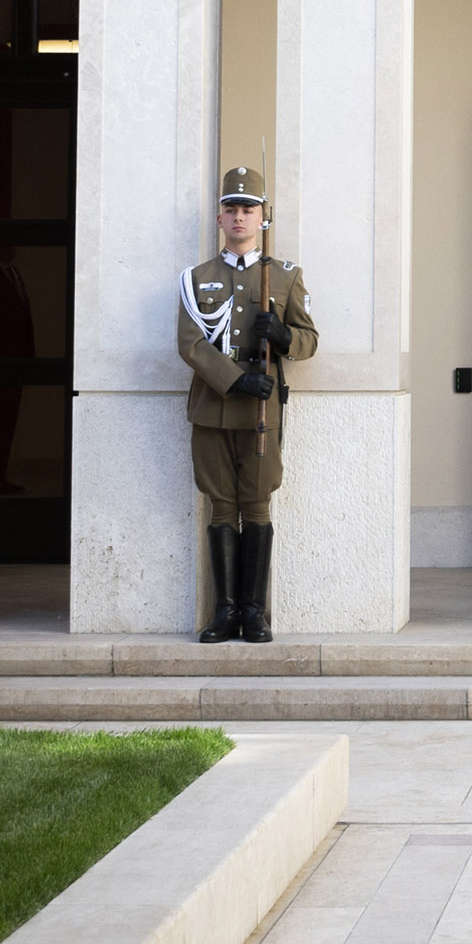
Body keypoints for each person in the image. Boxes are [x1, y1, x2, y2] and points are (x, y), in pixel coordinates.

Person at [179, 166, 318, 644]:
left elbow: (308, 339)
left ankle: (256, 614)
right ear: (219, 218)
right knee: (221, 506)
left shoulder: (283, 276)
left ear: (264, 218)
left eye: (249, 209)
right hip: (215, 407)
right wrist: (237, 381)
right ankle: (225, 612)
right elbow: (191, 345)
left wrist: (281, 336)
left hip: (263, 415)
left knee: (256, 506)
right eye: (231, 208)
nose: (239, 216)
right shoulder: (197, 278)